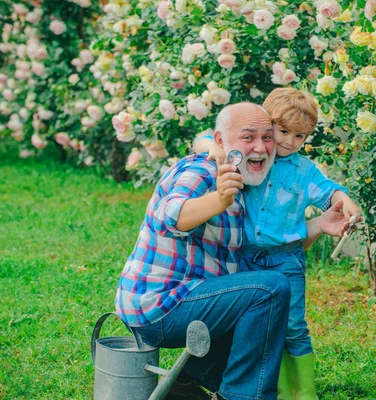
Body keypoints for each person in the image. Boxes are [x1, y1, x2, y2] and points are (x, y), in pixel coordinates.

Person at [115, 102, 351, 400]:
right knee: (268, 289)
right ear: (220, 141)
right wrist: (219, 200)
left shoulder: (245, 185)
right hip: (160, 307)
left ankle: (185, 382)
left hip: (193, 299)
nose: (262, 147)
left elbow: (273, 248)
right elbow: (167, 216)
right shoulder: (203, 171)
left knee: (264, 321)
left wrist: (318, 224)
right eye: (248, 137)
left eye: (268, 137)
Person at [193, 89, 360, 400]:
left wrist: (343, 199)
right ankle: (278, 389)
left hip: (286, 260)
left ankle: (304, 393)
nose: (288, 142)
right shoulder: (255, 156)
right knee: (260, 326)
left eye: (299, 136)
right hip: (242, 256)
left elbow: (328, 190)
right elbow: (207, 136)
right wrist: (212, 150)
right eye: (282, 131)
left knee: (294, 326)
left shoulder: (303, 170)